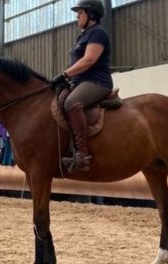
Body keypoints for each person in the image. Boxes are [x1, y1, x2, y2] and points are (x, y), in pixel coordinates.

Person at [51, 0, 113, 172]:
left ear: (91, 14)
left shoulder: (98, 33)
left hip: (97, 82)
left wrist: (64, 74)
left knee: (72, 103)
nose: (77, 16)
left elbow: (89, 60)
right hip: (79, 82)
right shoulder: (84, 35)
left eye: (80, 12)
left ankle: (82, 155)